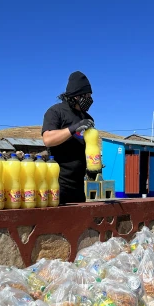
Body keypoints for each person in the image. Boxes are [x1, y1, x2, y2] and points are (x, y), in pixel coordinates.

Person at [42, 71, 95, 205]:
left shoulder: (87, 118)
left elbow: (89, 145)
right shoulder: (56, 112)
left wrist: (92, 166)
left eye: (90, 95)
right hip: (58, 184)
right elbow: (48, 139)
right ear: (76, 95)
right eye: (86, 95)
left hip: (78, 186)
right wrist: (73, 128)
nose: (89, 99)